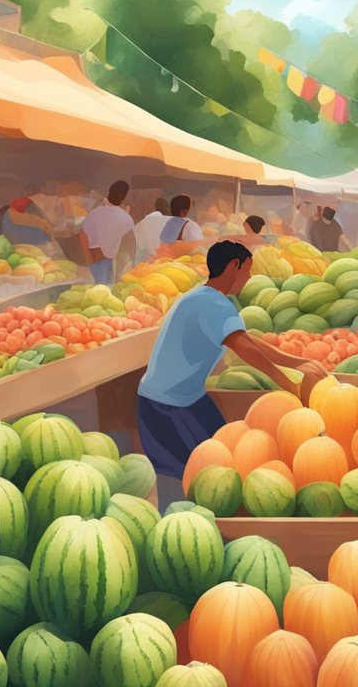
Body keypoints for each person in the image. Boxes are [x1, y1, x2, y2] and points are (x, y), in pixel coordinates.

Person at [138, 241, 327, 502]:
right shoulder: (212, 304)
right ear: (233, 266)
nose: (248, 279)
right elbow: (244, 348)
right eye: (247, 272)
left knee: (225, 456)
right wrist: (288, 383)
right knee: (191, 480)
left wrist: (295, 362)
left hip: (186, 399)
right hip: (165, 406)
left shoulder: (204, 296)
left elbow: (245, 340)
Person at [81, 180, 134, 285]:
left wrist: (88, 258)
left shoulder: (94, 213)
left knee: (98, 290)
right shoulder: (125, 218)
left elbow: (83, 234)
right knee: (104, 290)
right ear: (123, 196)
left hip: (95, 258)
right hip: (105, 260)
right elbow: (130, 242)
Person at [133, 197, 172, 263]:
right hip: (168, 258)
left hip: (153, 258)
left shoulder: (152, 217)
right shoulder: (170, 220)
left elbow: (140, 242)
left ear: (155, 207)